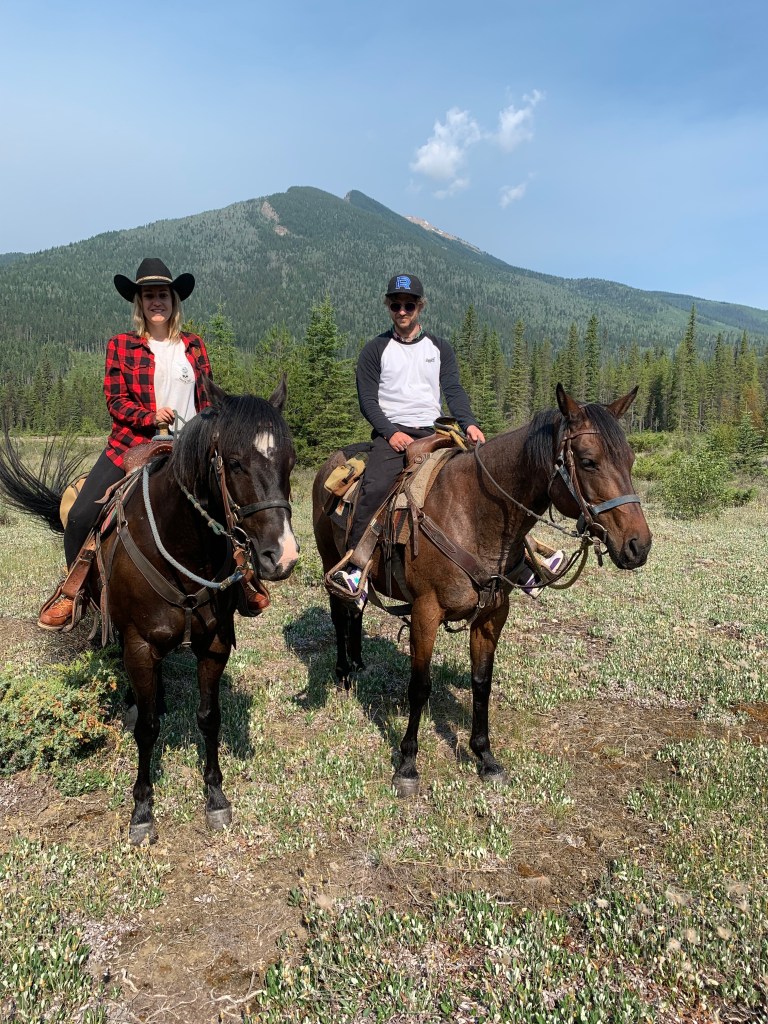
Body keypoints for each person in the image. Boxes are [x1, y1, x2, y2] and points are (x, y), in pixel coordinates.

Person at [38, 258, 212, 630]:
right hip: (132, 445)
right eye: (149, 296)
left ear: (173, 300)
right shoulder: (122, 345)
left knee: (230, 505)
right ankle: (76, 593)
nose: (156, 302)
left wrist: (209, 432)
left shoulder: (194, 347)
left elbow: (207, 400)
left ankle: (243, 581)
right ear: (140, 303)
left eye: (162, 295)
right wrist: (150, 418)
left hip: (188, 448)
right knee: (83, 516)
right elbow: (116, 402)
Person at [332, 273, 486, 609]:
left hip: (436, 431)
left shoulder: (439, 348)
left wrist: (469, 423)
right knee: (373, 489)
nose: (403, 311)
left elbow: (454, 390)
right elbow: (367, 400)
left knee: (480, 479)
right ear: (388, 306)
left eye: (409, 304)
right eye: (396, 304)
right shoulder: (375, 350)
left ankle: (521, 558)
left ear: (420, 306)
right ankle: (356, 570)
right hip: (394, 435)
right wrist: (390, 432)